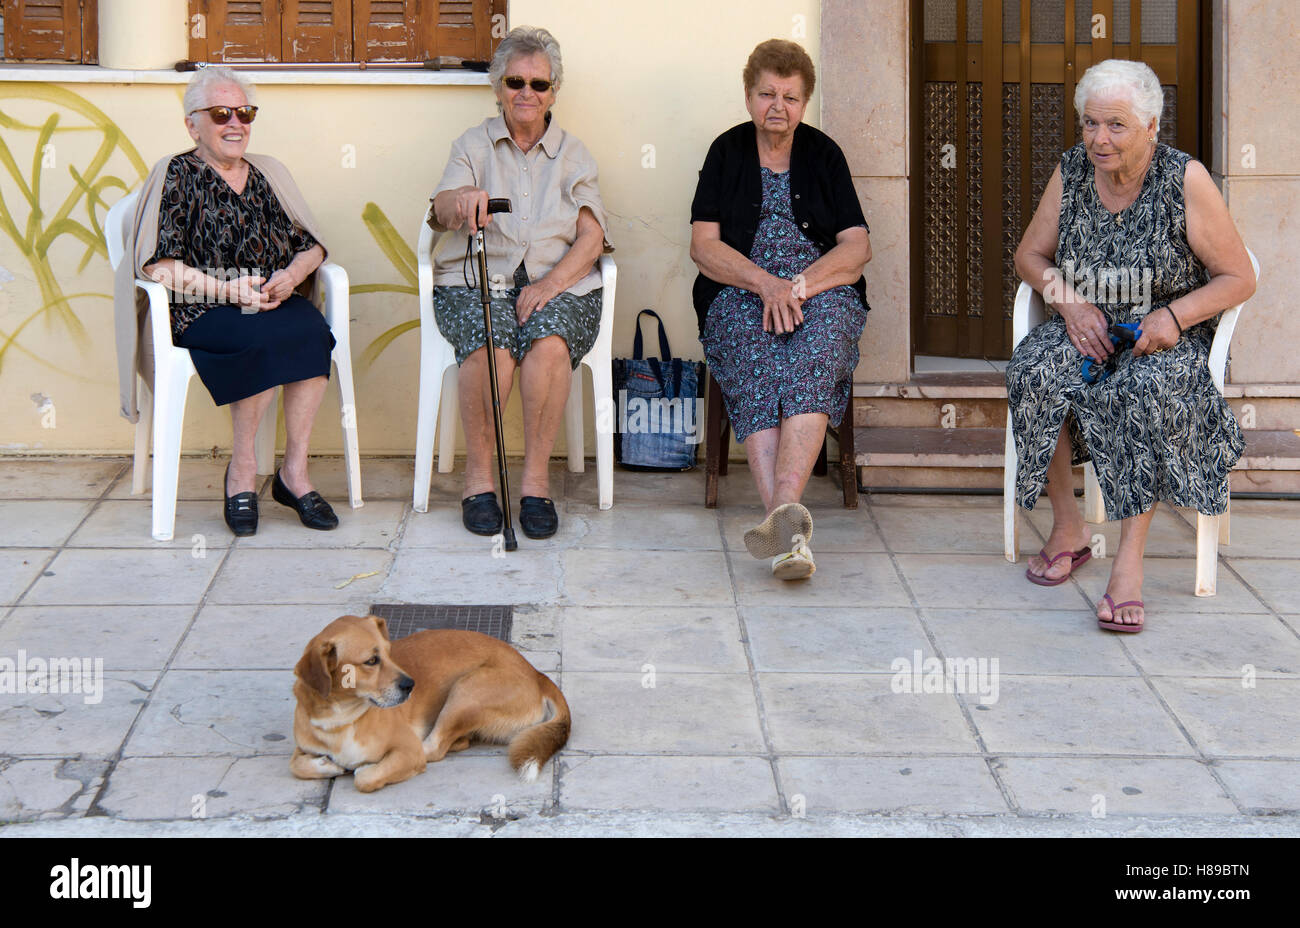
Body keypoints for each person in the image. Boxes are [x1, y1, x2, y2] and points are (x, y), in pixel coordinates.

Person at [1006, 58, 1255, 632]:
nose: (1098, 138)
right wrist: (1067, 302)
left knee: (1138, 390)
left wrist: (1175, 313)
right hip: (1088, 325)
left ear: (1150, 127)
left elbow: (1239, 276)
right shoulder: (1071, 172)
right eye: (1090, 124)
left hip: (1164, 341)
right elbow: (1029, 255)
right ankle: (1069, 528)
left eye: (1116, 125)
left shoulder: (1183, 178)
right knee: (1035, 369)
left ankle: (1128, 564)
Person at [121, 66, 339, 536]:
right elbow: (157, 266)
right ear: (192, 124)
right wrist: (224, 290)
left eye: (244, 112)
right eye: (220, 113)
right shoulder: (177, 174)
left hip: (269, 299)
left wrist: (292, 274)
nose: (235, 123)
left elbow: (314, 244)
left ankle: (292, 474)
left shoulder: (267, 174)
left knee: (312, 332)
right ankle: (242, 470)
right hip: (202, 307)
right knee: (259, 336)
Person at [689, 39, 872, 580]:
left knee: (815, 354)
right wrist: (765, 285)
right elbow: (704, 247)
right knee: (754, 353)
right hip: (740, 290)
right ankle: (791, 529)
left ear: (804, 102)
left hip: (820, 292)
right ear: (748, 97)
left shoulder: (824, 154)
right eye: (767, 93)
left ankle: (780, 518)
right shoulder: (725, 152)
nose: (778, 106)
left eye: (790, 97)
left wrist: (799, 287)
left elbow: (856, 248)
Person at [428, 26, 609, 541]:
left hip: (560, 284)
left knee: (549, 346)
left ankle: (534, 482)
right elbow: (439, 209)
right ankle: (480, 480)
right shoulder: (471, 144)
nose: (527, 93)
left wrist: (551, 285)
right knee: (492, 347)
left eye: (539, 84)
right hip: (478, 279)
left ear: (554, 91)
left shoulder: (574, 155)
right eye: (515, 82)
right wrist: (461, 199)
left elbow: (592, 238)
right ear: (497, 86)